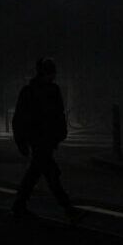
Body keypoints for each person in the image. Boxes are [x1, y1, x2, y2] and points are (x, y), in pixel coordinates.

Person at [12, 59, 85, 222]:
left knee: (37, 173)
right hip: (41, 139)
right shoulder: (45, 91)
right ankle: (67, 207)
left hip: (41, 139)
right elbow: (55, 115)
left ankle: (20, 204)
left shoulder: (33, 91)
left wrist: (22, 141)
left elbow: (21, 118)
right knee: (49, 174)